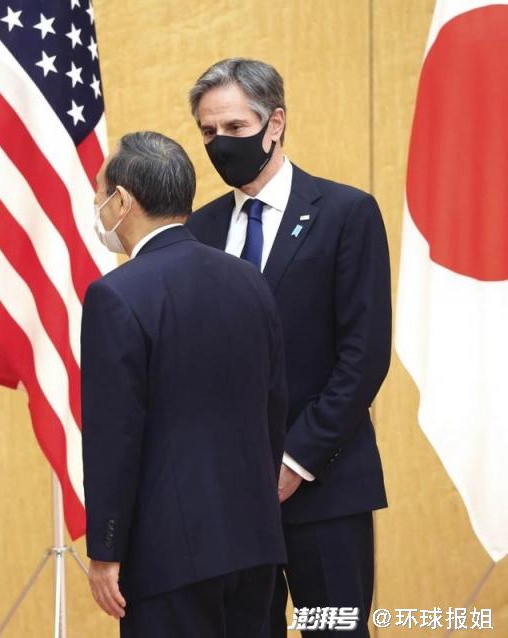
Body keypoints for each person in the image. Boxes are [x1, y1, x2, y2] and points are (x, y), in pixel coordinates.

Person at [186, 58, 392, 637]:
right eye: (208, 132)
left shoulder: (346, 214)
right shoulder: (199, 231)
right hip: (230, 500)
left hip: (325, 487)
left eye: (234, 127)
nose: (220, 143)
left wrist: (295, 460)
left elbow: (363, 356)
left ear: (274, 123)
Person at [82, 131, 288, 637]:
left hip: (168, 557)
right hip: (255, 544)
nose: (97, 206)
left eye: (99, 192)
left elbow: (114, 437)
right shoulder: (249, 280)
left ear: (122, 201)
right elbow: (273, 408)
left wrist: (105, 549)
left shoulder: (115, 295)